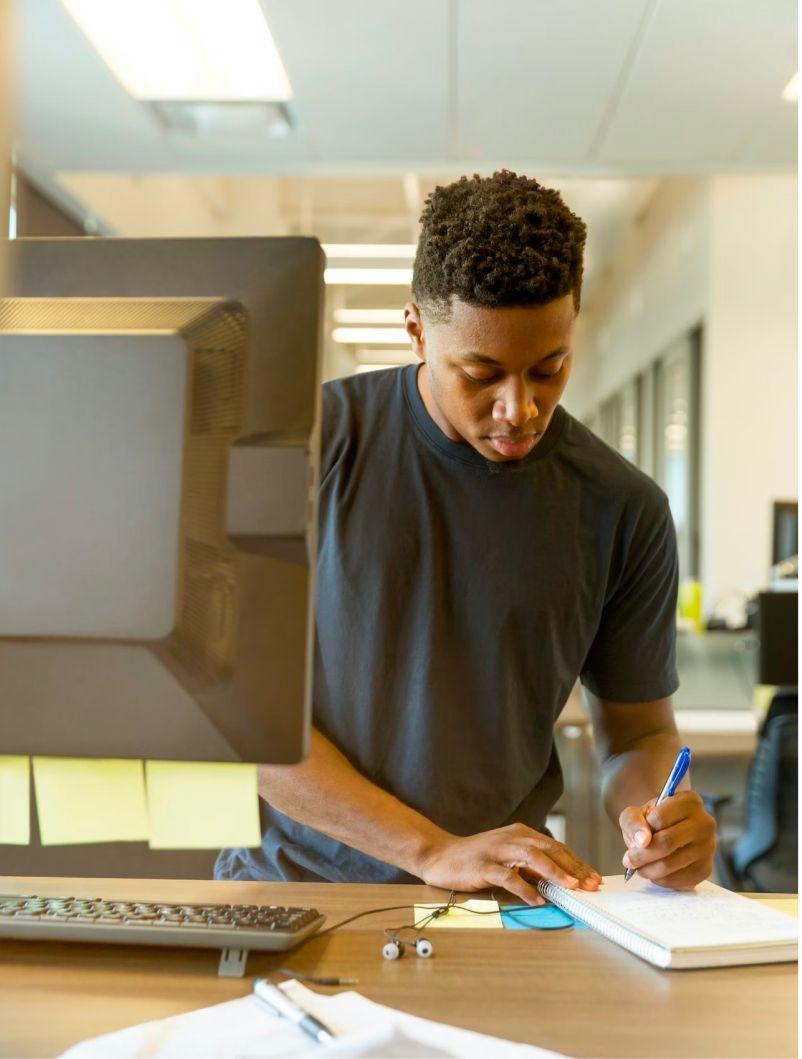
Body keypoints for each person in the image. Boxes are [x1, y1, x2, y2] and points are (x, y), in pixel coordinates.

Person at [216, 170, 715, 902]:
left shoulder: (622, 507)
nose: (520, 407)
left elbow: (638, 735)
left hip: (496, 900)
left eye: (550, 369)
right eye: (481, 373)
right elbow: (238, 713)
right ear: (416, 327)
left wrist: (659, 820)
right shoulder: (305, 448)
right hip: (293, 890)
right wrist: (428, 848)